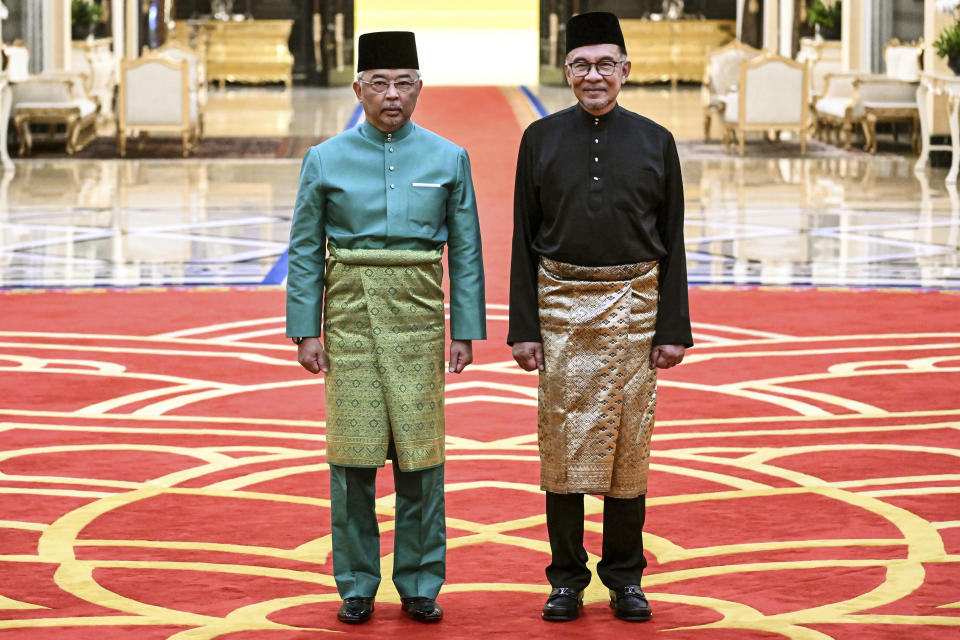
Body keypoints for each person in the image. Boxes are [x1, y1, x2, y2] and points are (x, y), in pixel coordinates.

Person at [286, 30, 485, 625]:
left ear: (420, 87)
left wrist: (464, 329)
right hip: (348, 314)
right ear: (358, 89)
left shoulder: (449, 157)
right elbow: (304, 247)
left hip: (420, 316)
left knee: (421, 457)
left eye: (403, 83)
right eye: (379, 83)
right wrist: (306, 329)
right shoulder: (324, 157)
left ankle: (421, 581)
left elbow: (467, 250)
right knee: (351, 459)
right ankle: (355, 581)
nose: (391, 95)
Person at [508, 11, 692, 623]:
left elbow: (674, 240)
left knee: (628, 452)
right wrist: (524, 327)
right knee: (561, 448)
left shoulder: (655, 138)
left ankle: (623, 578)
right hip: (560, 308)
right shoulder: (539, 138)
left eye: (605, 65)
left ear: (625, 70)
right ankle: (565, 579)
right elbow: (523, 239)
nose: (594, 76)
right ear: (566, 71)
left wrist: (673, 330)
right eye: (582, 65)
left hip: (637, 308)